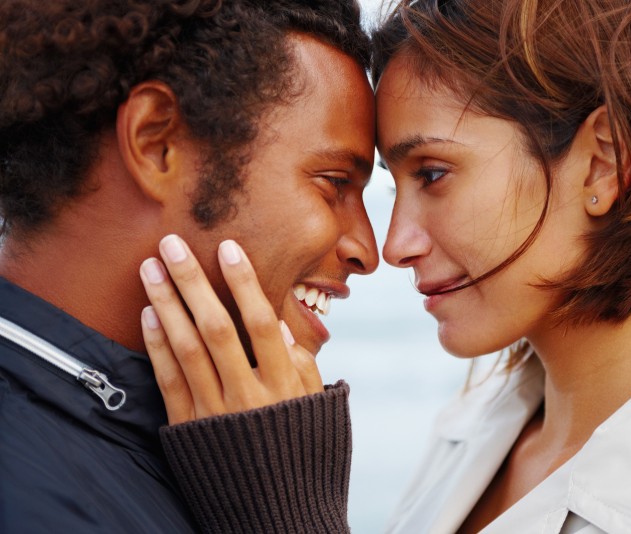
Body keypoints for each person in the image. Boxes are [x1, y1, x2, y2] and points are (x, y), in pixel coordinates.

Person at [137, 0, 631, 532]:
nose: (393, 246)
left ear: (603, 163)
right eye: (395, 187)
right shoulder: (474, 427)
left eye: (434, 173)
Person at [0, 0, 378, 532]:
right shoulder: (30, 501)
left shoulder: (210, 447)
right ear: (157, 142)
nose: (368, 250)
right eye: (335, 182)